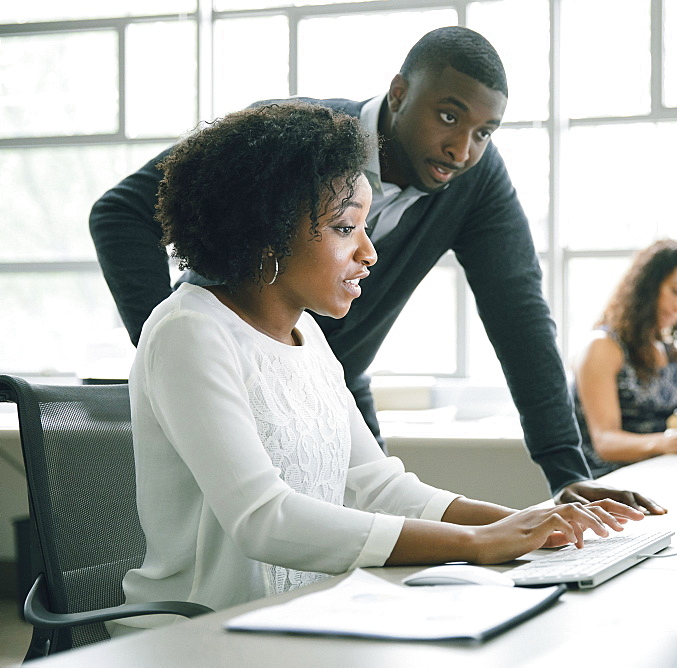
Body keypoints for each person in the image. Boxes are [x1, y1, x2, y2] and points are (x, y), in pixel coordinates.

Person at [89, 25, 662, 514]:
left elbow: (521, 316)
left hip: (334, 384)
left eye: (483, 133)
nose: (462, 149)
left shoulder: (476, 182)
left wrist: (566, 473)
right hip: (233, 373)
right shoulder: (297, 141)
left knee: (379, 543)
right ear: (398, 94)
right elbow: (121, 213)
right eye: (447, 116)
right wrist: (170, 352)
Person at [117, 101, 640, 631]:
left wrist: (524, 523)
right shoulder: (190, 331)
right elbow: (262, 520)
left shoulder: (310, 338)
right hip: (200, 638)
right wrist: (476, 544)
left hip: (302, 623)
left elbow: (378, 486)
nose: (370, 252)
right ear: (266, 232)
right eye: (346, 229)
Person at [571, 239, 677, 477]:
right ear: (648, 284)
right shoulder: (602, 347)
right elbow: (605, 442)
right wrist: (664, 442)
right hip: (609, 482)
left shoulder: (673, 355)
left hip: (657, 472)